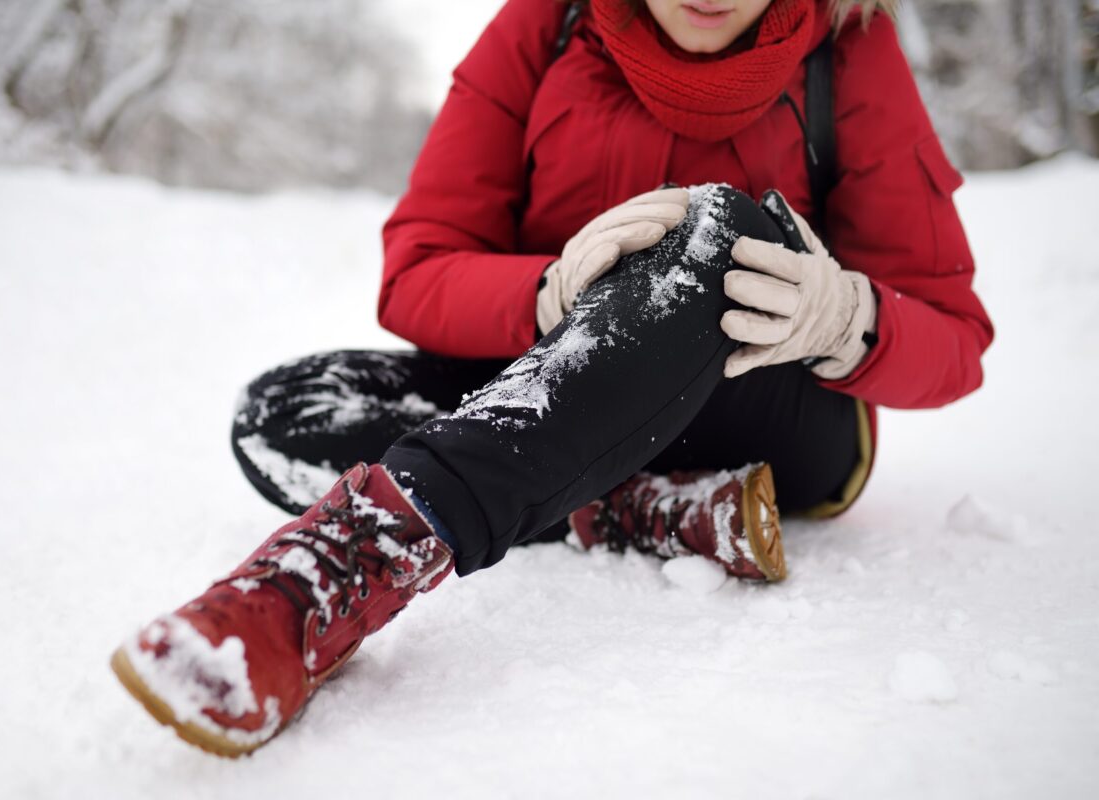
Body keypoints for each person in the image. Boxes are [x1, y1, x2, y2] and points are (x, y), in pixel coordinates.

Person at [111, 0, 993, 757]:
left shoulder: (850, 43)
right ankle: (630, 507)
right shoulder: (548, 25)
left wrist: (848, 316)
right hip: (558, 385)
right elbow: (415, 267)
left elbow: (956, 337)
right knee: (284, 411)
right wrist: (549, 291)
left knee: (713, 227)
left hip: (773, 407)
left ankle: (338, 570)